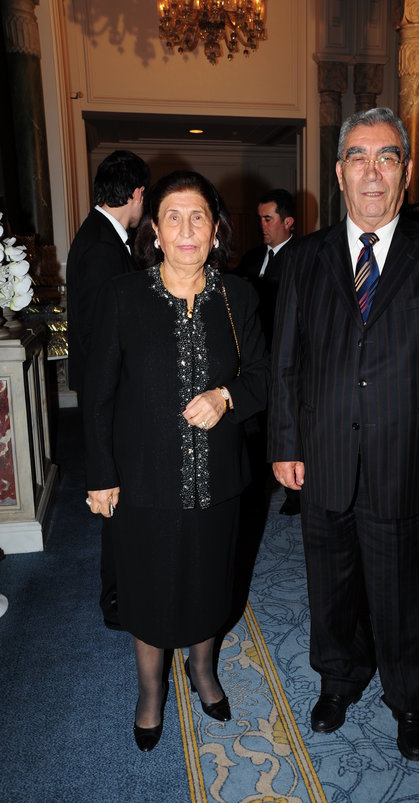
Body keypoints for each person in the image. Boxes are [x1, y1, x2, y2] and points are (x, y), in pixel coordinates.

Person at [268, 107, 419, 761]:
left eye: (386, 157)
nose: (371, 171)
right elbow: (285, 363)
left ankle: (410, 700)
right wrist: (284, 443)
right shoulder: (303, 259)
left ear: (405, 172)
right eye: (357, 157)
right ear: (338, 172)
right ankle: (338, 681)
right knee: (330, 589)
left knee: (405, 596)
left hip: (406, 461)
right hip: (323, 458)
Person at [82, 170, 268, 752]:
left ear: (216, 231)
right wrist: (101, 474)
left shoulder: (239, 297)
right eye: (173, 218)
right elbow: (98, 395)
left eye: (198, 218)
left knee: (211, 583)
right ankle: (150, 690)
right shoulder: (123, 297)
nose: (186, 230)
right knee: (147, 588)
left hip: (219, 480)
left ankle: (203, 669)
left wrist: (225, 397)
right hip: (142, 481)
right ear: (156, 232)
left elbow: (263, 378)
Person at [66, 150, 150, 631]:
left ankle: (120, 591)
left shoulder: (99, 235)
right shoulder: (102, 246)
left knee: (118, 492)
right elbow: (101, 334)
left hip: (105, 388)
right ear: (137, 193)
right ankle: (115, 599)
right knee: (113, 492)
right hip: (109, 392)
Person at [234, 189, 300, 515]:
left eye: (268, 218)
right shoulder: (251, 258)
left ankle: (295, 493)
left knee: (286, 423)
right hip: (253, 357)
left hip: (286, 356)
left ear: (288, 221)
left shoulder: (302, 258)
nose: (262, 225)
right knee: (256, 424)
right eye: (260, 218)